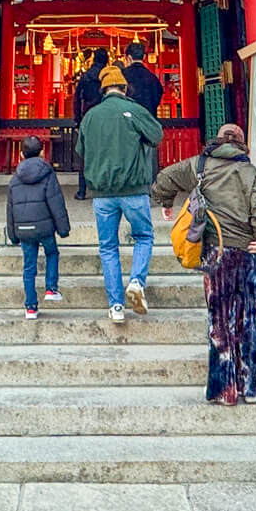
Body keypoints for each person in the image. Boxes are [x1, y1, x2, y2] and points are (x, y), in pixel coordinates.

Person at [154, 122, 256, 405]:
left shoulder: (200, 165)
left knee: (220, 321)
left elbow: (165, 177)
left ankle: (225, 390)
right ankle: (251, 387)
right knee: (249, 319)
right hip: (247, 253)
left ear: (218, 140)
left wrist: (166, 202)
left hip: (215, 253)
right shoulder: (249, 171)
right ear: (242, 143)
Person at [78, 64, 163, 323]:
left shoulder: (91, 116)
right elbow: (156, 136)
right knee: (144, 237)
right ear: (124, 87)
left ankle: (116, 306)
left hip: (102, 193)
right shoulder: (134, 110)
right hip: (134, 189)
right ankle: (136, 281)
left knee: (108, 247)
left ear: (103, 89)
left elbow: (81, 150)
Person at [4, 134, 69, 320]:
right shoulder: (47, 173)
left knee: (29, 267)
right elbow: (56, 202)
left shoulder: (15, 179)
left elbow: (10, 209)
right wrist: (63, 228)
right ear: (42, 152)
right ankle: (50, 288)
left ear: (21, 154)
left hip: (23, 229)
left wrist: (13, 234)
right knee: (52, 253)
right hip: (45, 226)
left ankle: (30, 307)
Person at [71, 47, 109, 200]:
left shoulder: (85, 76)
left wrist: (77, 119)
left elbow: (76, 99)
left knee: (85, 155)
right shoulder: (107, 76)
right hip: (106, 117)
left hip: (87, 117)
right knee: (106, 153)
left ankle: (82, 190)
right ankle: (104, 187)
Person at [120, 41, 164, 116]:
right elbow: (158, 96)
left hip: (128, 120)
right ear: (144, 57)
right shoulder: (153, 78)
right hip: (148, 120)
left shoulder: (122, 75)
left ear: (129, 58)